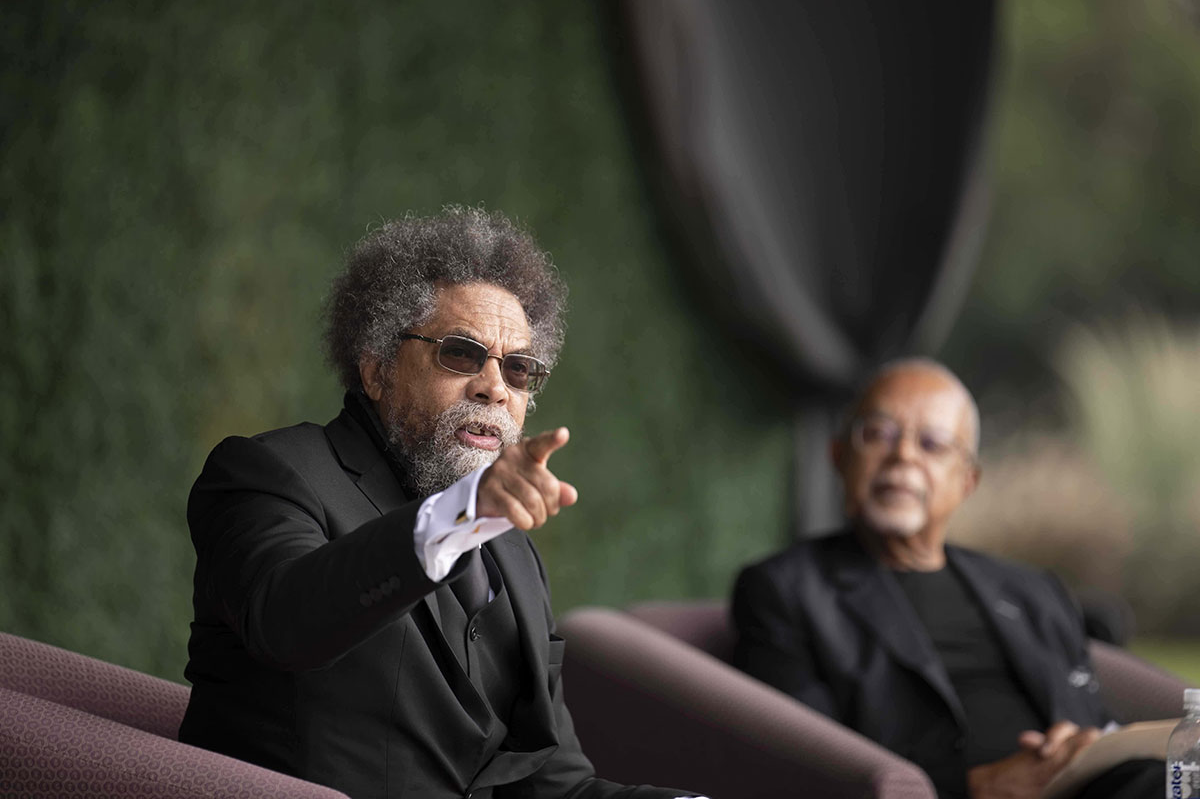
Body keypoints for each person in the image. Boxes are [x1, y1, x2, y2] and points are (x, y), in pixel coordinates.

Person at [179, 207, 695, 799]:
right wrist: (462, 515)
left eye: (519, 370)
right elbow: (286, 621)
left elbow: (555, 786)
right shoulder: (271, 472)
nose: (494, 387)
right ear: (376, 369)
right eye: (461, 354)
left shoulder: (516, 553)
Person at [731, 359, 1161, 799]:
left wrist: (1083, 743)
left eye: (933, 444)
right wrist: (978, 786)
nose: (903, 456)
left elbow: (1088, 712)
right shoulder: (785, 589)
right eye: (878, 434)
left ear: (967, 481)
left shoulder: (1031, 590)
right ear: (839, 456)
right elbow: (803, 756)